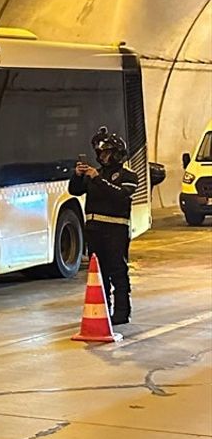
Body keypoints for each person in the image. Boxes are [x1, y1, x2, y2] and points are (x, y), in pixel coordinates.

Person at [70, 127, 139, 325]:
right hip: (94, 231)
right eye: (101, 153)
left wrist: (97, 179)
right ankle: (104, 310)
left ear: (117, 154)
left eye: (107, 153)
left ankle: (122, 312)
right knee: (101, 273)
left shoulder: (128, 176)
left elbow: (119, 196)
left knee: (118, 271)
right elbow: (75, 190)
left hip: (115, 231)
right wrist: (77, 175)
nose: (103, 157)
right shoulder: (95, 175)